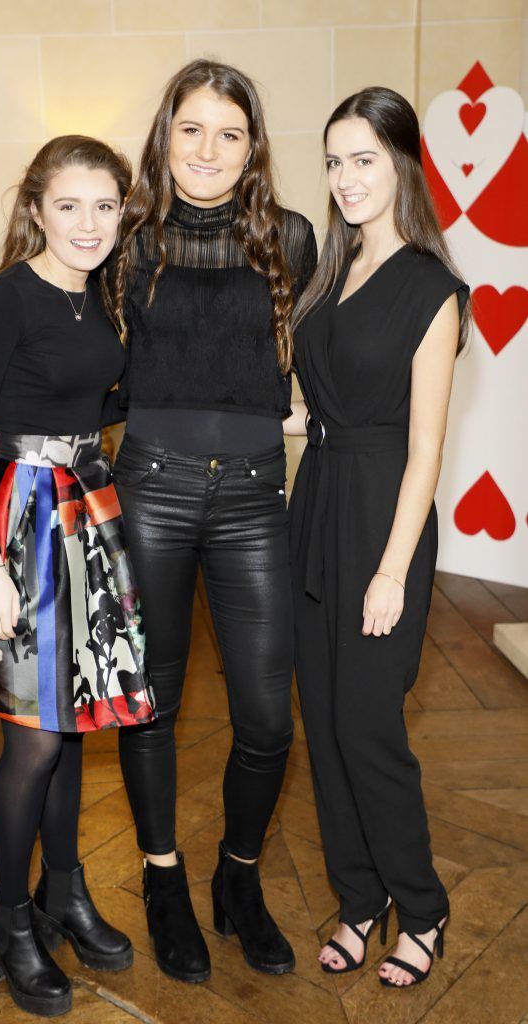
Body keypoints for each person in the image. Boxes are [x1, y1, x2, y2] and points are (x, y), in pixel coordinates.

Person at [0, 136, 155, 1017]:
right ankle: (10, 922)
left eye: (104, 207)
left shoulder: (107, 299)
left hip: (87, 513)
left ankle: (67, 892)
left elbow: (108, 402)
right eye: (69, 206)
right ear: (37, 209)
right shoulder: (4, 298)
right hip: (16, 522)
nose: (88, 225)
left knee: (74, 722)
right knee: (35, 738)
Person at [101, 59, 317, 983]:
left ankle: (237, 877)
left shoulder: (294, 239)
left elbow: (320, 347)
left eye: (230, 134)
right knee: (152, 703)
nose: (209, 150)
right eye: (192, 129)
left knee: (269, 719)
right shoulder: (129, 241)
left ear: (253, 147)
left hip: (254, 496)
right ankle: (161, 880)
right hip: (149, 486)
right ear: (165, 135)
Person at [286, 86, 470, 988]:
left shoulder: (432, 290)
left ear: (401, 162)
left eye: (364, 158)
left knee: (367, 728)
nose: (347, 178)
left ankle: (423, 909)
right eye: (334, 161)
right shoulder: (332, 268)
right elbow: (313, 406)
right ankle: (359, 900)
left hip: (383, 519)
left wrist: (393, 571)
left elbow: (428, 448)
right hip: (315, 506)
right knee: (320, 722)